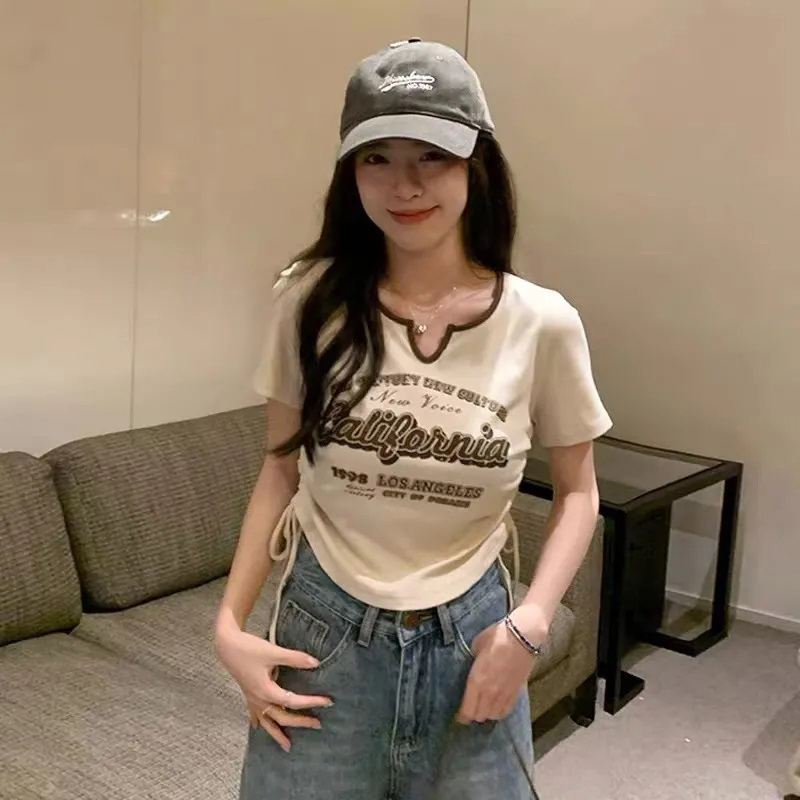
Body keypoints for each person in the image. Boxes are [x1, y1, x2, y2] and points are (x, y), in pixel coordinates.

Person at [213, 38, 612, 800]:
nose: (406, 184)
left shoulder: (544, 324)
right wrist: (229, 627)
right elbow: (279, 468)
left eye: (432, 155)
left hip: (474, 637)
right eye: (379, 158)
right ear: (350, 171)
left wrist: (529, 626)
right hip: (325, 638)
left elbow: (579, 492)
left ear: (476, 164)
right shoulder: (308, 301)